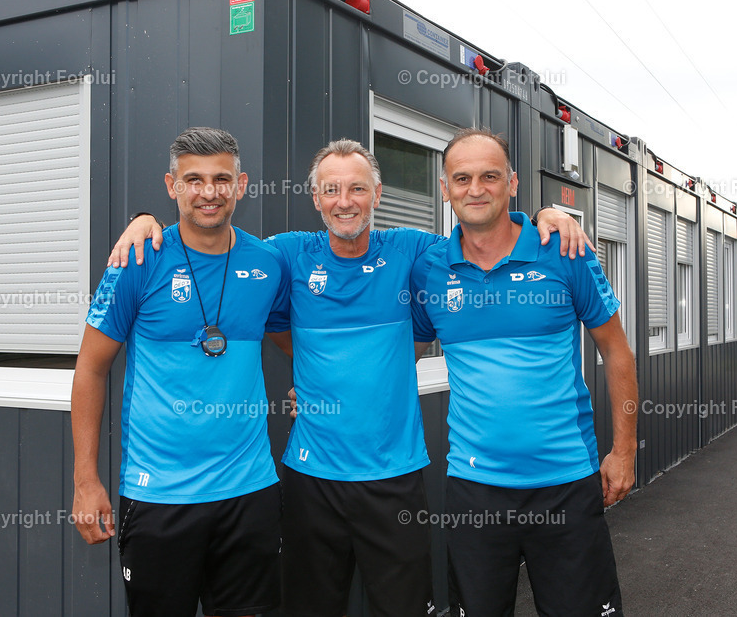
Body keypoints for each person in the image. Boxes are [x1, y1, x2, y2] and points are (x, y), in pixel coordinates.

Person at [109, 138, 591, 617]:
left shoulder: (413, 252)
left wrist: (546, 215)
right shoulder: (285, 256)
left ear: (377, 195)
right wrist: (144, 220)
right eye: (332, 190)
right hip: (310, 481)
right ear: (315, 198)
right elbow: (247, 287)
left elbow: (483, 229)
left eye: (357, 188)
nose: (345, 201)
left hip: (395, 477)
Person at [409, 128, 638, 617]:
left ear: (512, 183)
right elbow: (398, 358)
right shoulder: (430, 268)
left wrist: (624, 451)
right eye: (463, 178)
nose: (476, 189)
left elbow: (617, 353)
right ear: (445, 186)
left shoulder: (564, 251)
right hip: (474, 488)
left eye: (490, 176)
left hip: (566, 484)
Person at [71, 127, 290, 617]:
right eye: (193, 179)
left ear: (242, 185)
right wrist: (86, 479)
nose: (208, 192)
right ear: (171, 186)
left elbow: (291, 338)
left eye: (220, 179)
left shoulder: (268, 263)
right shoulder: (136, 261)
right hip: (158, 496)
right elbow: (90, 369)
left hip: (249, 492)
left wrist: (313, 385)